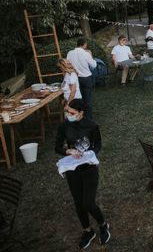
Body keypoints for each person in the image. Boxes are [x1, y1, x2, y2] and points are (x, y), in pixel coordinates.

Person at [55, 99, 110, 248]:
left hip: (88, 167)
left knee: (88, 202)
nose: (68, 115)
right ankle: (87, 231)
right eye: (67, 112)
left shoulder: (92, 125)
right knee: (78, 203)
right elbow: (57, 147)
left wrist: (90, 153)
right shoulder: (64, 126)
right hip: (73, 168)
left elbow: (98, 144)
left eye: (72, 113)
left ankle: (103, 225)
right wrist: (68, 150)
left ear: (81, 113)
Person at [66, 38, 96, 119]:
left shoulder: (70, 53)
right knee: (88, 98)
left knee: (78, 98)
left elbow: (67, 64)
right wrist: (91, 55)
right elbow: (94, 65)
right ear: (84, 44)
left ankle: (78, 115)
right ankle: (88, 117)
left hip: (75, 78)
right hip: (86, 78)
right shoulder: (86, 53)